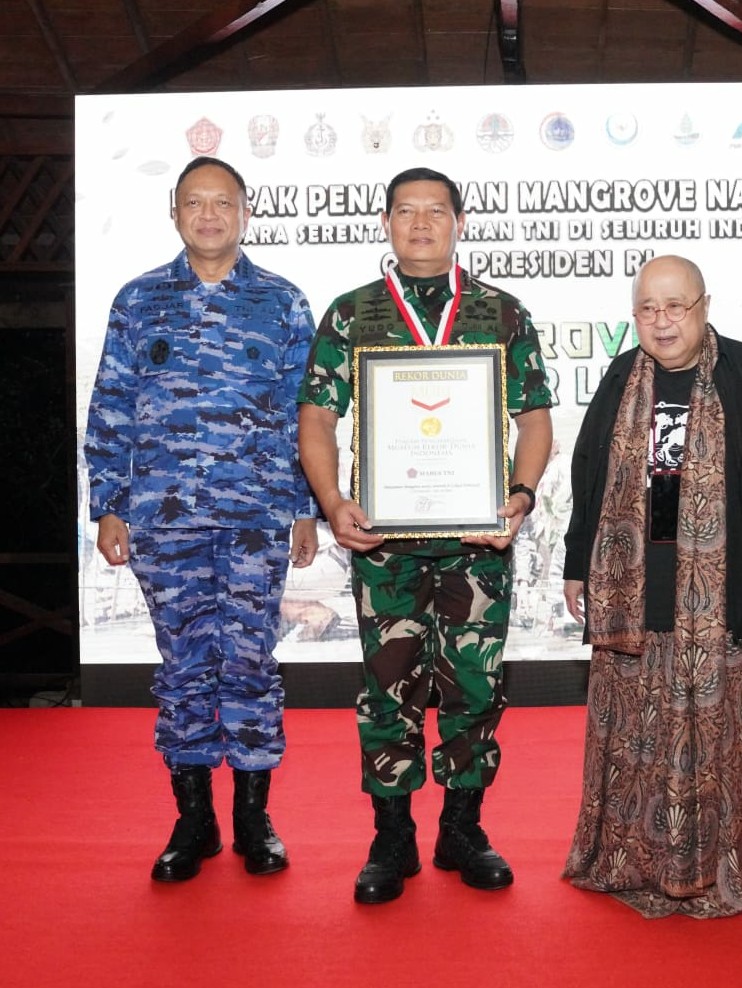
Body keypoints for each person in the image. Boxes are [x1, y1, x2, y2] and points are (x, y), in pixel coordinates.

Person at [297, 167, 553, 904]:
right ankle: (393, 837)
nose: (419, 224)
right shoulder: (352, 315)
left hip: (477, 543)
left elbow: (534, 420)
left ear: (459, 222)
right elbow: (316, 418)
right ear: (384, 223)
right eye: (404, 212)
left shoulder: (501, 314)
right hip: (385, 545)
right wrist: (332, 500)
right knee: (388, 691)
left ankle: (462, 829)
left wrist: (520, 495)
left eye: (434, 211)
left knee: (475, 687)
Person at [85, 155, 319, 882]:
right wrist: (107, 504)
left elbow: (302, 417)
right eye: (196, 202)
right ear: (175, 212)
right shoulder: (138, 300)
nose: (210, 214)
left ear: (246, 213)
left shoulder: (282, 303)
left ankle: (254, 819)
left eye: (224, 202)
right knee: (185, 668)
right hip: (163, 519)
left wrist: (305, 508)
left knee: (250, 662)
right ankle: (194, 823)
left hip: (254, 516)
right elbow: (111, 405)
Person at [561, 255, 742, 918]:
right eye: (649, 308)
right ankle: (634, 860)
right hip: (637, 595)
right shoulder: (622, 377)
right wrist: (575, 565)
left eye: (677, 305)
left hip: (726, 596)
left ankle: (720, 864)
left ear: (705, 305)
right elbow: (588, 475)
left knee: (719, 736)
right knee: (638, 740)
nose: (663, 321)